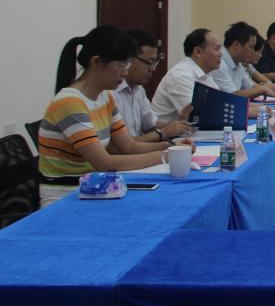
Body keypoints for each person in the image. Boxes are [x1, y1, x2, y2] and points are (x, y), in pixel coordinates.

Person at [37, 26, 182, 207]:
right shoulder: (69, 103)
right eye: (121, 65)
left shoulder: (105, 97)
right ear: (96, 62)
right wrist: (166, 155)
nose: (125, 72)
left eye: (127, 66)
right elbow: (105, 163)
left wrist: (173, 146)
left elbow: (128, 147)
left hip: (98, 189)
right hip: (66, 197)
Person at [112, 29, 195, 143]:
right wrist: (164, 133)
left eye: (155, 63)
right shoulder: (111, 91)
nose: (153, 69)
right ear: (129, 59)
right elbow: (123, 145)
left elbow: (151, 127)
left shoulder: (138, 90)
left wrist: (178, 125)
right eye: (149, 62)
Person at [151, 28, 222, 123]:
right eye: (217, 49)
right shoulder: (181, 75)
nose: (221, 54)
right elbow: (200, 116)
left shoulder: (206, 73)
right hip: (166, 132)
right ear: (198, 52)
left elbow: (219, 105)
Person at [212, 22, 275, 99]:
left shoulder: (238, 63)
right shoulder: (219, 63)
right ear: (236, 45)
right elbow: (232, 96)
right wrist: (262, 90)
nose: (253, 51)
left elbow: (251, 87)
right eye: (251, 47)